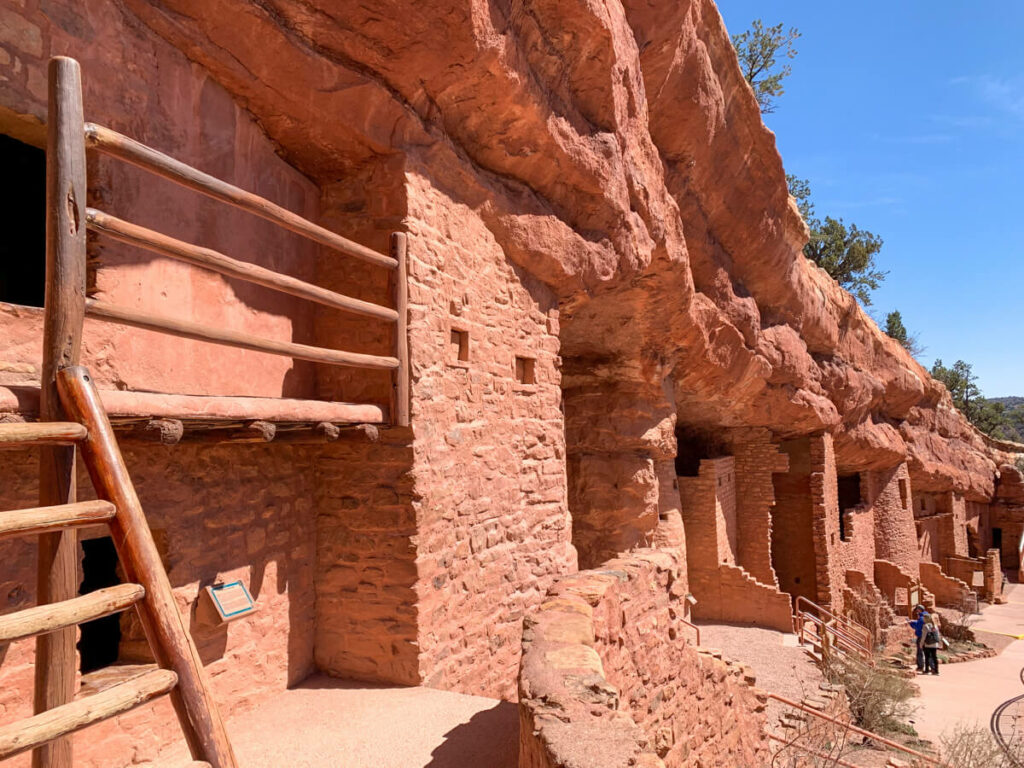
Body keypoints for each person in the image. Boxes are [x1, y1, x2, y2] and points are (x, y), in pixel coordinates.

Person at [908, 605, 929, 673]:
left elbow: (917, 627)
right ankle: (932, 667)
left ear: (919, 610)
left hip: (921, 636)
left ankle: (920, 666)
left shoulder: (921, 618)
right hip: (928, 637)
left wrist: (911, 623)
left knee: (920, 652)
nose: (916, 611)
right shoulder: (927, 616)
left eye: (917, 610)